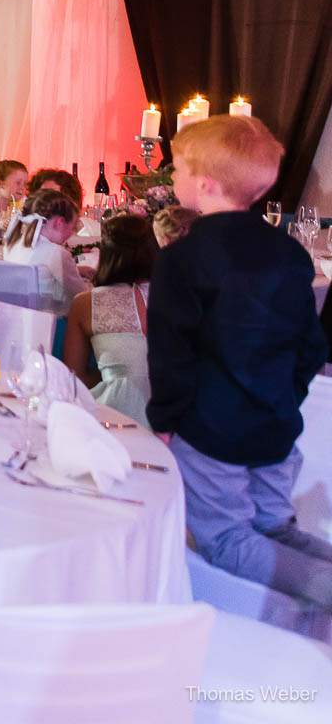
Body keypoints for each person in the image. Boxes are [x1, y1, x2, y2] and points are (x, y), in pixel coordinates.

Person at [147, 114, 332, 607]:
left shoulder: (181, 260)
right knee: (275, 527)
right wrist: (280, 396)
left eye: (178, 168)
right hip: (275, 422)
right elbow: (312, 346)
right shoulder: (291, 255)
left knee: (226, 540)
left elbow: (171, 354)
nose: (174, 177)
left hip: (212, 431)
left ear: (204, 183)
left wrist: (163, 422)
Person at [63, 213, 157, 427]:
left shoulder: (86, 303)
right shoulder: (181, 296)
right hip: (177, 416)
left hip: (116, 416)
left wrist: (120, 380)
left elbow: (75, 376)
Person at [2, 187, 90, 320]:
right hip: (52, 326)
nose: (70, 235)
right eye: (72, 228)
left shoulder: (11, 244)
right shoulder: (56, 253)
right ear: (59, 223)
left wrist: (77, 270)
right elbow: (81, 296)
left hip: (19, 321)